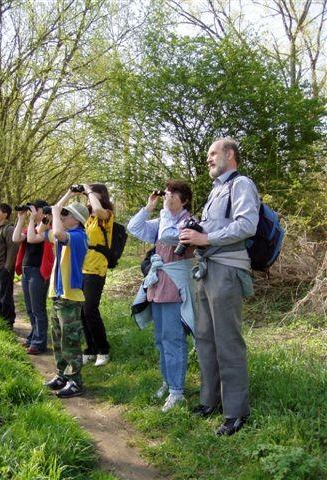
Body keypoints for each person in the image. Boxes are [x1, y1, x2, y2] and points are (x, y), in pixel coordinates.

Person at [179, 137, 259, 436]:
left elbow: (247, 225)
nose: (208, 159)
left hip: (227, 270)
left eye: (213, 153)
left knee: (227, 341)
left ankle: (236, 412)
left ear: (230, 154)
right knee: (205, 338)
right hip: (206, 270)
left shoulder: (242, 185)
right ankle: (209, 400)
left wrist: (206, 238)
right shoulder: (216, 190)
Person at [128, 180, 196, 412]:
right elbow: (134, 227)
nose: (168, 197)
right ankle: (167, 383)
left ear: (184, 200)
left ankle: (177, 392)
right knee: (160, 339)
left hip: (175, 288)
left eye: (173, 194)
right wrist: (149, 206)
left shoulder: (189, 222)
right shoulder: (162, 219)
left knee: (173, 340)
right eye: (167, 194)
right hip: (157, 287)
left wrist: (164, 212)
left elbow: (169, 237)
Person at [38, 200, 89, 398]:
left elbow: (58, 233)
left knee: (70, 340)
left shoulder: (78, 236)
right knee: (58, 339)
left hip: (71, 297)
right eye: (63, 213)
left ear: (77, 219)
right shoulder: (65, 235)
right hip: (58, 294)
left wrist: (56, 214)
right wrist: (47, 216)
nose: (63, 216)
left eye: (67, 214)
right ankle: (62, 375)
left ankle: (76, 380)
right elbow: (36, 234)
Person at [12, 200, 54, 354]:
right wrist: (21, 217)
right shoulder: (31, 227)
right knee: (30, 308)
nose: (32, 212)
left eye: (35, 210)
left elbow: (31, 238)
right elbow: (15, 238)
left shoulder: (47, 229)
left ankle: (39, 342)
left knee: (38, 308)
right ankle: (33, 337)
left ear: (42, 211)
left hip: (39, 271)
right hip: (27, 270)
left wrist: (31, 220)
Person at [80, 183, 114, 367]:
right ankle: (90, 348)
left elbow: (99, 209)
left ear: (101, 195)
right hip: (82, 267)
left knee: (90, 309)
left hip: (97, 267)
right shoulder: (87, 218)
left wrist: (89, 190)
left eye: (92, 193)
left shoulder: (106, 215)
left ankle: (103, 349)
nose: (88, 196)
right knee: (82, 311)